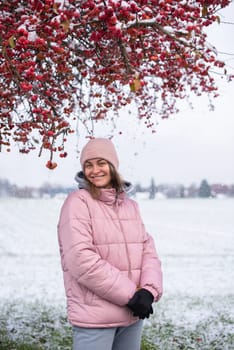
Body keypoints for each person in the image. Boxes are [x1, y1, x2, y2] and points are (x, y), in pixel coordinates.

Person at [57, 138, 163, 350]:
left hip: (132, 315)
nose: (95, 170)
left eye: (101, 163)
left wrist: (149, 291)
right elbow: (81, 259)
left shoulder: (129, 206)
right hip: (95, 318)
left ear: (113, 166)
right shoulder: (78, 202)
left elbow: (147, 250)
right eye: (88, 165)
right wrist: (131, 295)